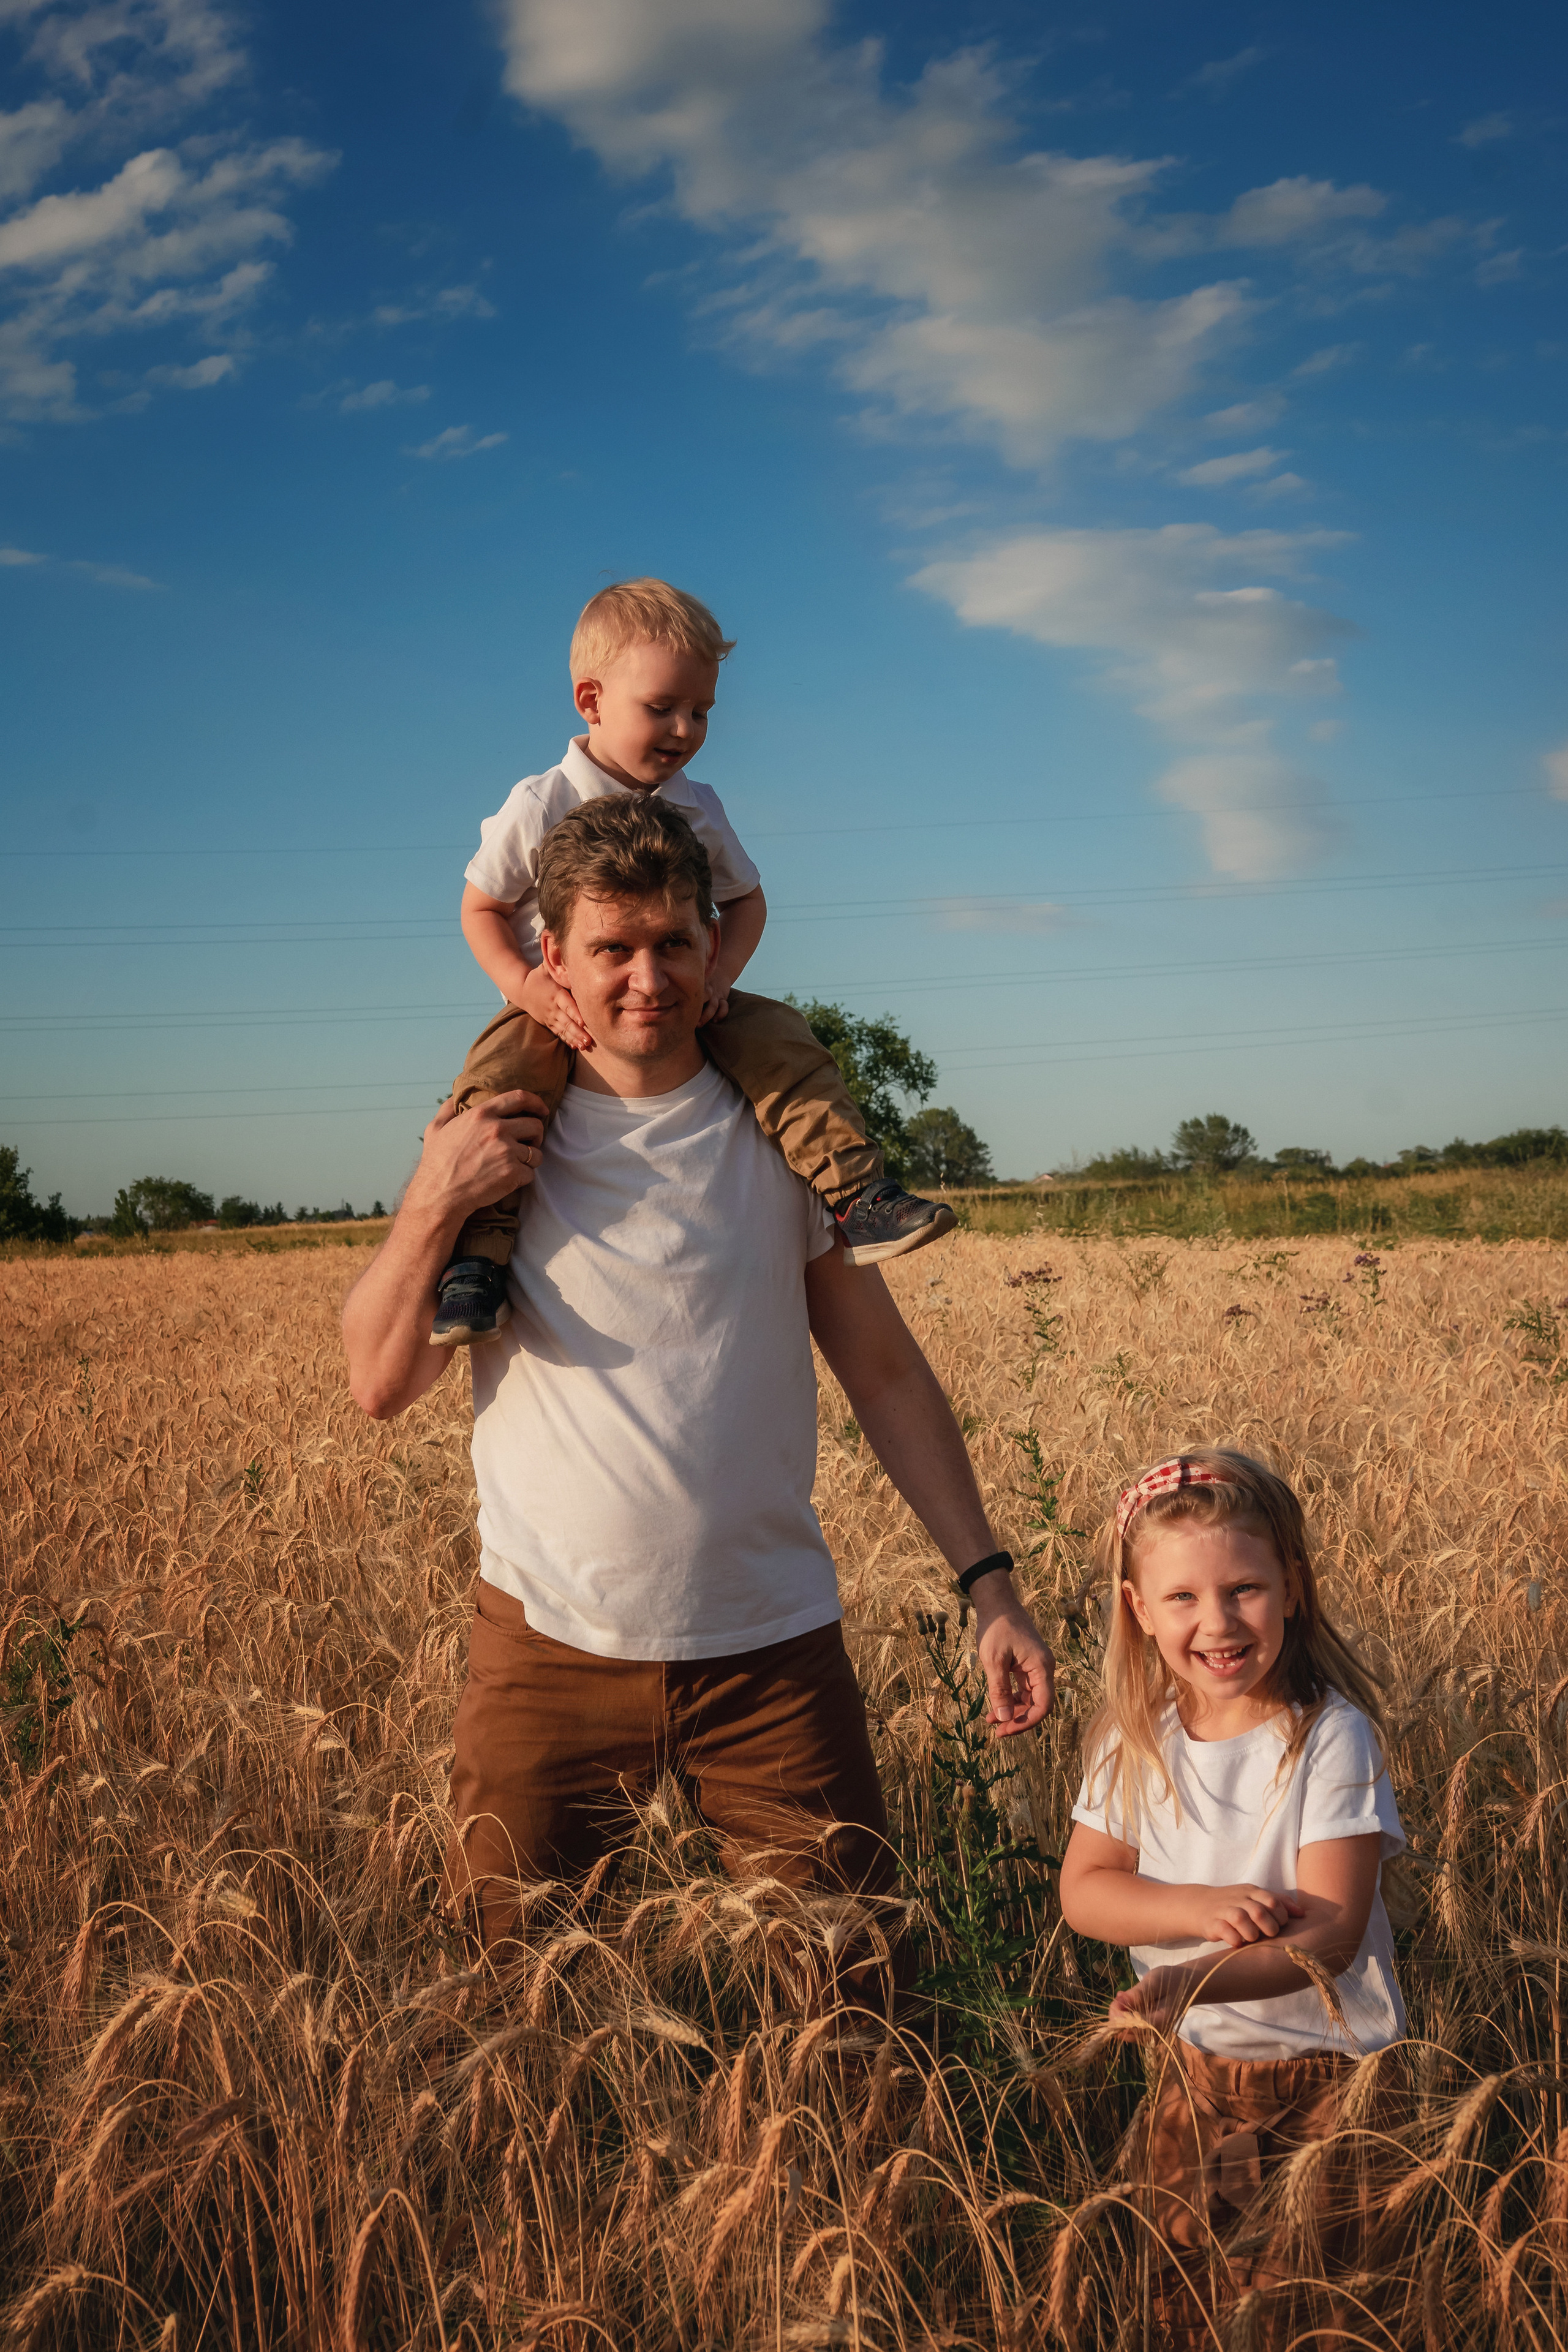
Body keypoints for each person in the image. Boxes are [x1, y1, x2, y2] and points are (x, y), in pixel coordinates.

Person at [342, 792, 1055, 1949]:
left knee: (853, 2001)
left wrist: (991, 1587)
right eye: (610, 949)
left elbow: (882, 1371)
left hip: (771, 1655)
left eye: (673, 942)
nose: (646, 979)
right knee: (522, 2012)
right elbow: (379, 1382)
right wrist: (435, 1196)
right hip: (547, 1653)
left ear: (715, 944)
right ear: (551, 962)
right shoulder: (499, 1140)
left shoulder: (780, 1131)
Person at [431, 576, 955, 1344]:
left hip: (682, 992)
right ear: (591, 699)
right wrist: (526, 987)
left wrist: (718, 978)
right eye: (663, 707)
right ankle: (475, 1264)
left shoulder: (698, 805)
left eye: (701, 710)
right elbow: (479, 907)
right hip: (562, 1006)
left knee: (781, 1042)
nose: (685, 728)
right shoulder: (539, 803)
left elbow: (748, 902)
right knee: (498, 1092)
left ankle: (859, 1196)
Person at [1058, 1450, 1406, 2349]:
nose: (1217, 1622)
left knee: (1326, 2317)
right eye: (1182, 1599)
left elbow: (1329, 1934)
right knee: (1184, 2305)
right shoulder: (1135, 1738)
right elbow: (1085, 1892)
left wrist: (1191, 1983)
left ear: (1293, 1590)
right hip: (1193, 2077)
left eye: (1244, 1590)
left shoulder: (1331, 1738)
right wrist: (1197, 1908)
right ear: (1138, 1609)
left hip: (1329, 2085)